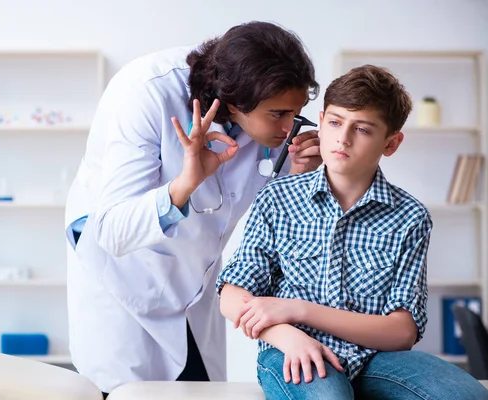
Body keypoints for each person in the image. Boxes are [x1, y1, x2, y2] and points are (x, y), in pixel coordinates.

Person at [64, 21, 323, 396]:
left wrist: (298, 177)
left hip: (195, 277)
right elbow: (113, 231)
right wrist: (185, 185)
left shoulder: (269, 125)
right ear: (236, 103)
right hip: (122, 276)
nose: (289, 128)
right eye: (278, 114)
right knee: (124, 393)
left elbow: (275, 227)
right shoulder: (145, 93)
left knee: (199, 391)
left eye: (295, 113)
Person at [217, 64, 488, 399]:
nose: (342, 138)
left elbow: (402, 331)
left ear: (391, 143)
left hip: (378, 358)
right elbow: (232, 297)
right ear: (321, 121)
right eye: (334, 122)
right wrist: (290, 335)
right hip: (293, 350)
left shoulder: (410, 216)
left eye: (362, 129)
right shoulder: (278, 198)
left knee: (468, 394)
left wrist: (298, 308)